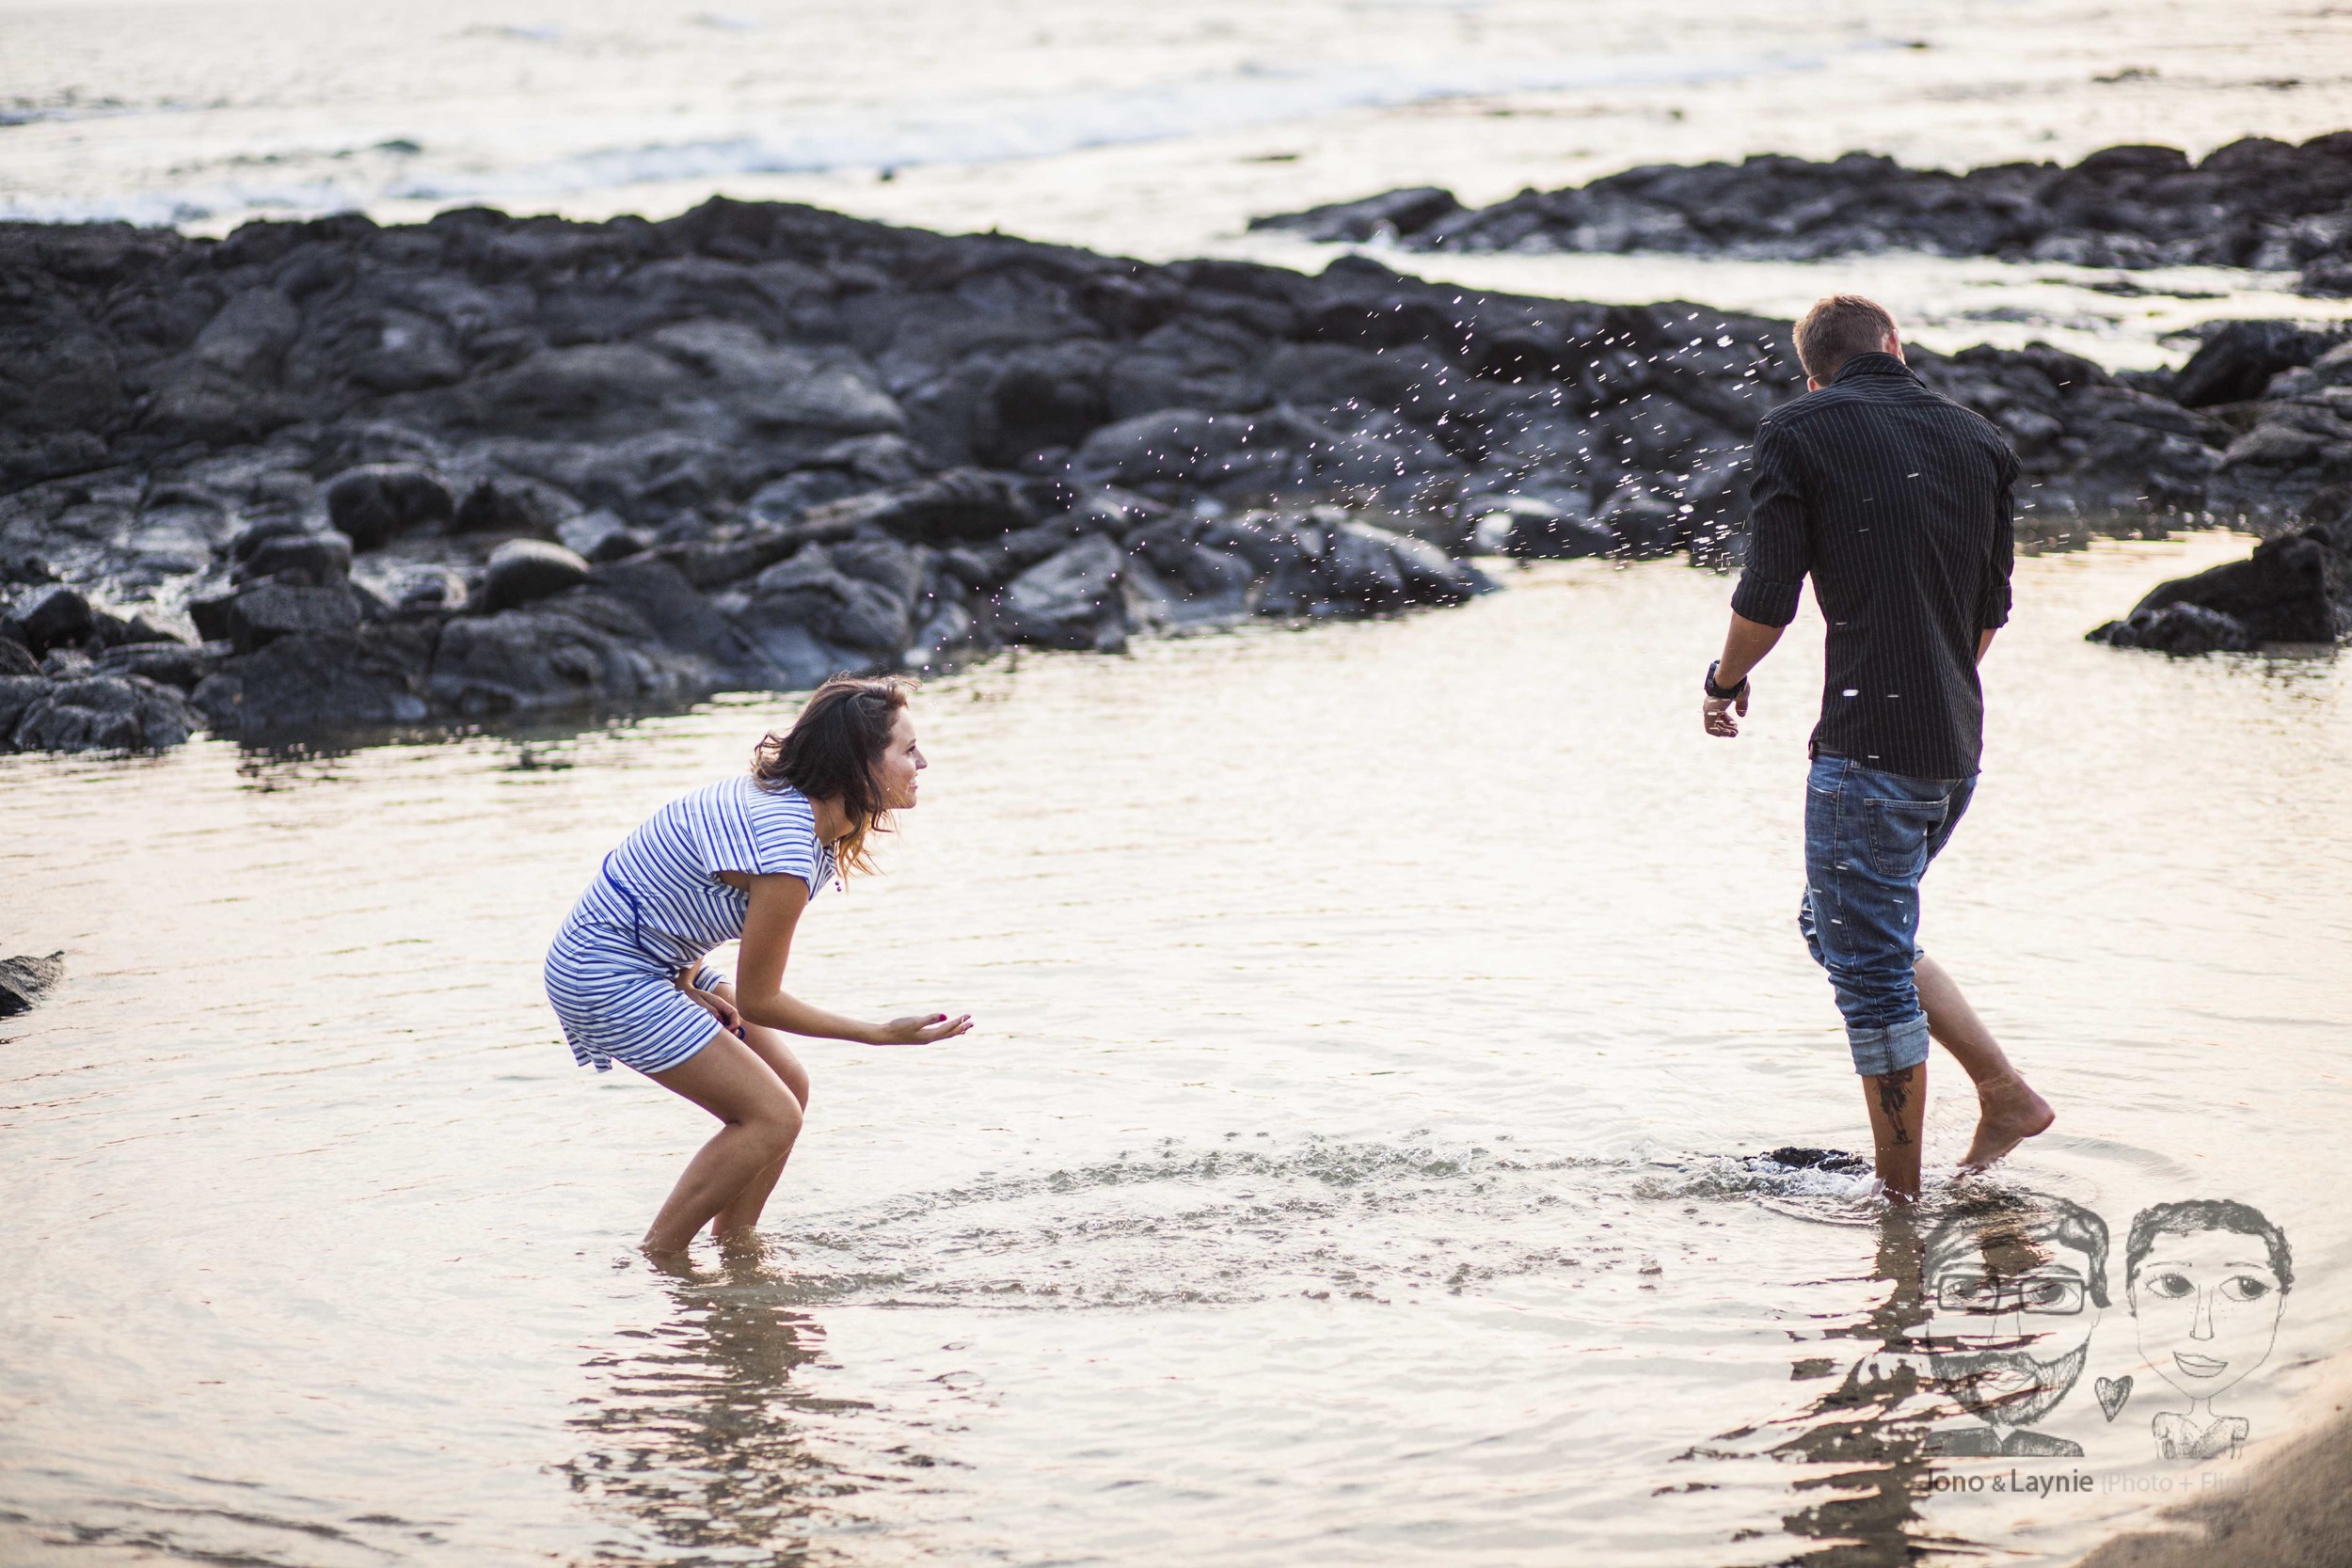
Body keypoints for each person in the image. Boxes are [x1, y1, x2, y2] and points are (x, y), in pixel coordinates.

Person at [1700, 294, 2052, 1199]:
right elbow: (1991, 611)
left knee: (1865, 967)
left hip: (1868, 752)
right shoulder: (1979, 439)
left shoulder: (1799, 429)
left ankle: (1898, 1204)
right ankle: (2005, 1094)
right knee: (1843, 928)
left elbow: (1768, 595)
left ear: (1812, 372)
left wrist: (1725, 680)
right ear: (1896, 346)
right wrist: (1938, 687)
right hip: (1953, 747)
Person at [544, 675, 972, 1256]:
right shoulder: (789, 847)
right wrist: (880, 1034)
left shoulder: (810, 816)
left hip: (656, 960)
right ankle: (658, 1260)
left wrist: (686, 978)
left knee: (789, 1089)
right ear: (857, 764)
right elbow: (761, 1000)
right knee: (772, 1117)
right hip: (603, 970)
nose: (923, 761)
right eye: (907, 750)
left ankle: (737, 1248)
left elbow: (666, 883)